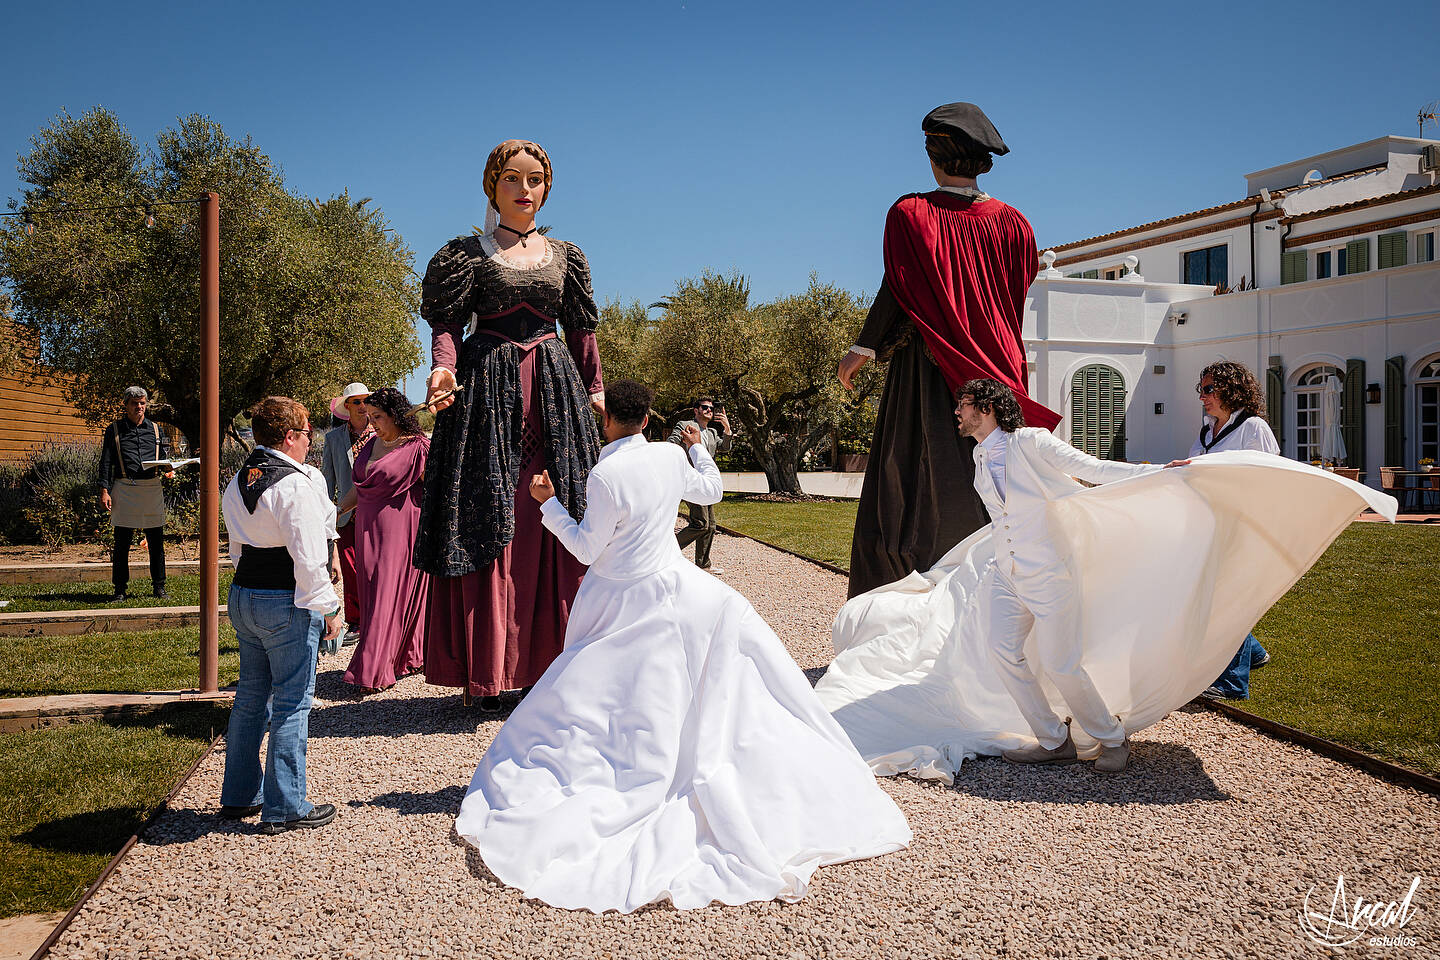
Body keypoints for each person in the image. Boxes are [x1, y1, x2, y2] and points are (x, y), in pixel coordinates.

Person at [454, 380, 910, 912]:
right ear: (648, 418)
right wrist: (696, 445)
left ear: (608, 421)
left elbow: (584, 548)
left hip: (621, 599)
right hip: (677, 587)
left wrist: (549, 505)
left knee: (605, 696)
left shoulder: (606, 474)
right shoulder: (671, 456)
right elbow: (710, 491)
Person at [815, 379, 1396, 783]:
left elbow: (1090, 470)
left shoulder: (1030, 443)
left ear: (988, 409)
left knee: (1065, 663)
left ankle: (1110, 739)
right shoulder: (977, 457)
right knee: (1000, 652)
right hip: (1007, 573)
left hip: (1050, 573)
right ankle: (1051, 739)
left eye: (965, 405)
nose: (958, 414)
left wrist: (1152, 472)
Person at [837, 102, 1060, 600]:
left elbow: (899, 287)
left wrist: (864, 346)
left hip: (931, 366)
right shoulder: (1016, 224)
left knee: (909, 485)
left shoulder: (912, 213)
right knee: (998, 488)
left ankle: (902, 608)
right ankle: (1003, 602)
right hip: (1000, 372)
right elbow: (1015, 291)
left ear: (933, 154)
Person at [414, 139, 604, 713]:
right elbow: (447, 324)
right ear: (492, 186)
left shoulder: (567, 256)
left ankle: (553, 664)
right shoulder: (463, 256)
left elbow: (582, 331)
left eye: (536, 180)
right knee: (490, 509)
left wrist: (597, 392)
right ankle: (492, 666)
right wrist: (443, 369)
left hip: (554, 393)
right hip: (486, 393)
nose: (526, 190)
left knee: (555, 511)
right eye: (513, 179)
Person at [219, 396, 342, 833]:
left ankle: (238, 795)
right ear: (289, 437)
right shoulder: (293, 486)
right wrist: (329, 608)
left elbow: (236, 547)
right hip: (284, 599)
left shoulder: (239, 480)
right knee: (292, 701)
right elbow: (309, 561)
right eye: (308, 432)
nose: (311, 440)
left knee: (251, 698)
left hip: (244, 595)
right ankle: (286, 805)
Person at [1187, 361, 1280, 700]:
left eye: (1209, 389)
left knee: (1228, 600)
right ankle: (1253, 652)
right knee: (1207, 596)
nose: (1203, 397)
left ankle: (1232, 683)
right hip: (1209, 526)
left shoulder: (1253, 428)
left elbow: (1267, 477)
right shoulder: (1205, 431)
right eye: (1202, 390)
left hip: (1242, 526)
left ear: (1231, 388)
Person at [337, 388, 430, 692]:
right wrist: (332, 512)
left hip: (400, 531)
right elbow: (359, 489)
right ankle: (408, 655)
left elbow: (435, 492)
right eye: (369, 416)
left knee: (385, 596)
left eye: (378, 416)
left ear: (396, 415)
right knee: (373, 593)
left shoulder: (419, 448)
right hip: (366, 531)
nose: (372, 422)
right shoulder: (372, 444)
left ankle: (373, 669)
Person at [98, 386, 173, 602]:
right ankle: (119, 589)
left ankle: (159, 587)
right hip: (124, 487)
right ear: (126, 405)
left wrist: (169, 471)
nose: (139, 407)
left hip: (151, 488)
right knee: (121, 543)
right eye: (134, 403)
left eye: (142, 403)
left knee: (156, 542)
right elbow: (105, 462)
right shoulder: (114, 430)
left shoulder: (157, 430)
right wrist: (105, 490)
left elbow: (165, 458)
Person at [321, 382, 373, 643]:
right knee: (351, 570)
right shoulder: (333, 439)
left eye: (366, 400)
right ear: (347, 407)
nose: (363, 406)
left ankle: (378, 619)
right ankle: (356, 621)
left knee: (376, 568)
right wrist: (326, 514)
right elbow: (327, 480)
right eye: (357, 401)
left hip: (377, 513)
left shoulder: (382, 433)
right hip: (346, 515)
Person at [667, 396, 732, 573]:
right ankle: (665, 552)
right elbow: (671, 443)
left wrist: (727, 429)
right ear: (696, 410)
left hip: (707, 482)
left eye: (711, 408)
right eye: (704, 407)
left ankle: (703, 565)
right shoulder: (685, 424)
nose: (709, 410)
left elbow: (724, 447)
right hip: (690, 480)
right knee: (701, 523)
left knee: (710, 525)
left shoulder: (711, 433)